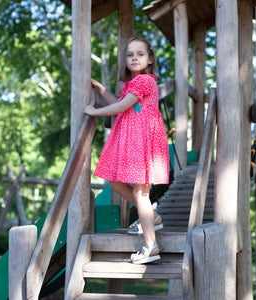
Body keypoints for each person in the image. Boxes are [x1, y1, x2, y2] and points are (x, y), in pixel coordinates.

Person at [84, 37, 169, 264]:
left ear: (150, 59)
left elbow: (121, 106)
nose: (134, 58)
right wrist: (101, 89)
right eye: (130, 54)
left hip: (143, 141)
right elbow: (119, 102)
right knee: (115, 182)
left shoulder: (145, 81)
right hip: (133, 140)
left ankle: (151, 246)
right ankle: (153, 216)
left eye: (140, 54)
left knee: (141, 194)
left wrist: (94, 112)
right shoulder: (130, 85)